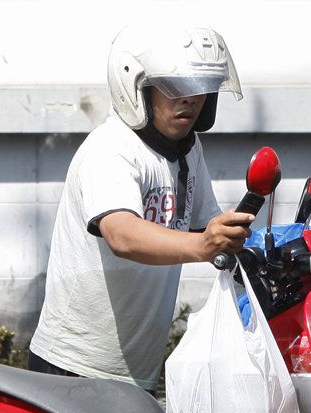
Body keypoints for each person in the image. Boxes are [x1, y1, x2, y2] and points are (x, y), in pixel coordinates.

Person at [29, 25, 253, 393]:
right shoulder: (111, 148)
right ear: (137, 87)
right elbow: (122, 234)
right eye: (176, 87)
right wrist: (204, 247)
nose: (190, 100)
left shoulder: (187, 149)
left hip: (136, 370)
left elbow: (204, 227)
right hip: (73, 367)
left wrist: (249, 239)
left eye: (200, 88)